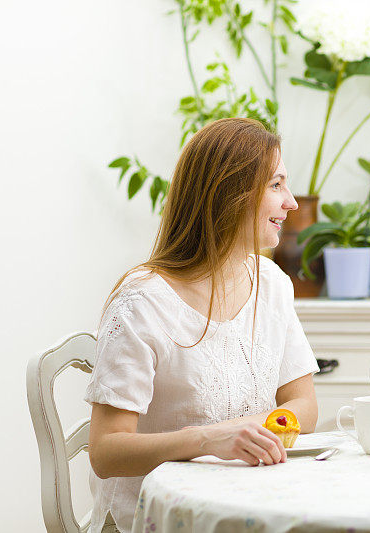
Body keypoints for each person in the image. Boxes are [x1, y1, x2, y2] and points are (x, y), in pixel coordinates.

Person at [85, 118, 320, 533]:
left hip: (249, 507)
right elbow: (106, 452)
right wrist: (210, 440)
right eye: (277, 185)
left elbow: (305, 405)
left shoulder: (273, 286)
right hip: (157, 518)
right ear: (231, 194)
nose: (292, 204)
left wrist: (255, 436)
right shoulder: (142, 302)